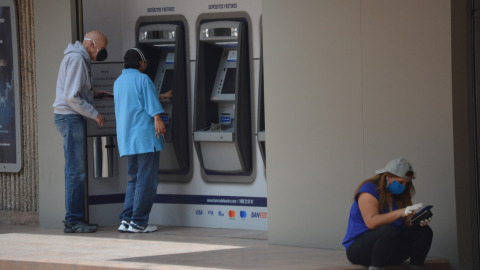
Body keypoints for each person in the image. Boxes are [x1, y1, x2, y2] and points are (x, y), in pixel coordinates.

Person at [53, 30, 110, 233]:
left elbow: (73, 90)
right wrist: (95, 114)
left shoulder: (77, 57)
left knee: (75, 170)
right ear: (92, 44)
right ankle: (73, 221)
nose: (102, 53)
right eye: (102, 49)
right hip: (70, 117)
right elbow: (70, 97)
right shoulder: (78, 59)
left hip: (68, 117)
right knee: (75, 171)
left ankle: (74, 219)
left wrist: (93, 93)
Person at [342, 158, 433, 270]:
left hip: (389, 250)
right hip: (360, 250)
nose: (404, 186)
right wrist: (400, 212)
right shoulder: (369, 190)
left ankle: (416, 267)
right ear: (387, 177)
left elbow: (407, 223)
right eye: (400, 182)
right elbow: (372, 223)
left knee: (424, 231)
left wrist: (418, 221)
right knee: (388, 231)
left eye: (406, 183)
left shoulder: (403, 194)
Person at [114, 48, 166, 233]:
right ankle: (139, 222)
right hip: (145, 137)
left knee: (134, 179)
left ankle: (126, 220)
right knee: (146, 180)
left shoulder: (119, 82)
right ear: (141, 63)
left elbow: (135, 101)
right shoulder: (143, 78)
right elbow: (151, 105)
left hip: (128, 138)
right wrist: (158, 120)